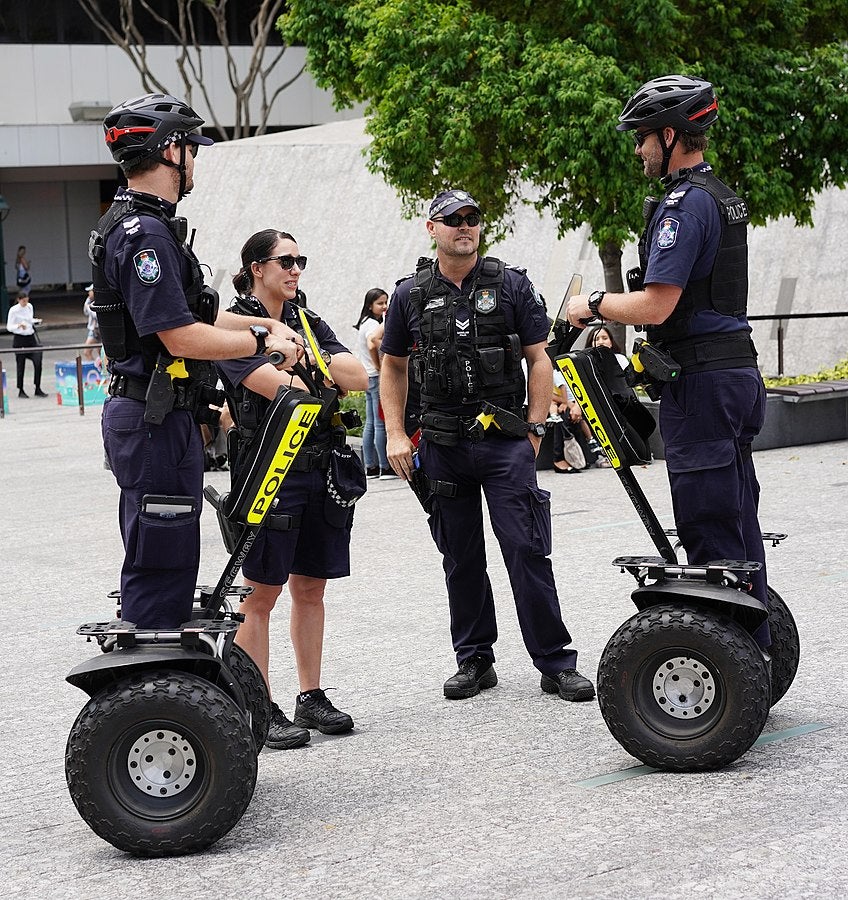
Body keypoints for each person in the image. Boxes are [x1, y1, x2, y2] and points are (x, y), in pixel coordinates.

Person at [566, 75, 771, 649]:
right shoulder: (722, 195)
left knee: (709, 525)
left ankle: (727, 675)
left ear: (672, 134)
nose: (638, 149)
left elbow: (657, 304)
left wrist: (594, 305)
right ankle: (756, 648)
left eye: (643, 137)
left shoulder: (686, 204)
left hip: (703, 381)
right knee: (736, 517)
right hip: (735, 371)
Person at [93, 93, 302, 632]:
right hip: (152, 419)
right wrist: (263, 348)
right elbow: (179, 335)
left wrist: (262, 325)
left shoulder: (147, 226)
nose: (196, 161)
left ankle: (163, 683)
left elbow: (197, 312)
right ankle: (152, 695)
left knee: (172, 553)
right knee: (160, 561)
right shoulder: (145, 235)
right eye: (193, 149)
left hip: (163, 417)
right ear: (171, 153)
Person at [380, 188, 595, 702]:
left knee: (526, 549)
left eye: (473, 218)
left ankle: (555, 662)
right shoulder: (409, 294)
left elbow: (538, 358)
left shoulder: (512, 286)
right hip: (443, 446)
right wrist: (392, 434)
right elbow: (392, 365)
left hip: (503, 444)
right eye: (453, 219)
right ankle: (475, 660)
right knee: (461, 556)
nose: (465, 226)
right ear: (431, 228)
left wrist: (536, 427)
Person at [217, 228, 368, 749]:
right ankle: (259, 706)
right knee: (259, 594)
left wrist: (309, 362)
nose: (295, 269)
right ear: (257, 267)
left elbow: (358, 377)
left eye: (300, 260)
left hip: (318, 465)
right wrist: (312, 373)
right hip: (267, 466)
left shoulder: (306, 318)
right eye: (285, 260)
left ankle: (311, 694)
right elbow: (277, 386)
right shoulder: (235, 326)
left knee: (312, 586)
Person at [354, 287, 393, 479]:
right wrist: (379, 366)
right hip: (376, 376)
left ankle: (370, 466)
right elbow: (372, 343)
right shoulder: (372, 326)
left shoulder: (365, 323)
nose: (384, 306)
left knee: (370, 422)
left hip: (367, 375)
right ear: (370, 305)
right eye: (380, 303)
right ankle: (385, 467)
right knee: (380, 423)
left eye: (386, 302)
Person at [6, 291, 47, 397]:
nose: (25, 303)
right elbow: (9, 327)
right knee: (21, 364)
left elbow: (29, 319)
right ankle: (21, 389)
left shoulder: (29, 307)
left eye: (26, 300)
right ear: (19, 300)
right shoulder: (14, 310)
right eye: (23, 301)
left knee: (38, 361)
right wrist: (18, 326)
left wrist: (35, 321)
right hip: (20, 339)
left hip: (30, 337)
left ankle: (37, 386)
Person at [82, 283, 100, 363]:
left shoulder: (99, 302)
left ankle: (102, 370)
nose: (89, 293)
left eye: (90, 291)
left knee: (102, 354)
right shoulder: (90, 301)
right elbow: (85, 312)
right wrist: (88, 301)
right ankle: (95, 367)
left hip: (100, 331)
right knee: (87, 352)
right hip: (93, 331)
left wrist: (89, 307)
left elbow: (95, 315)